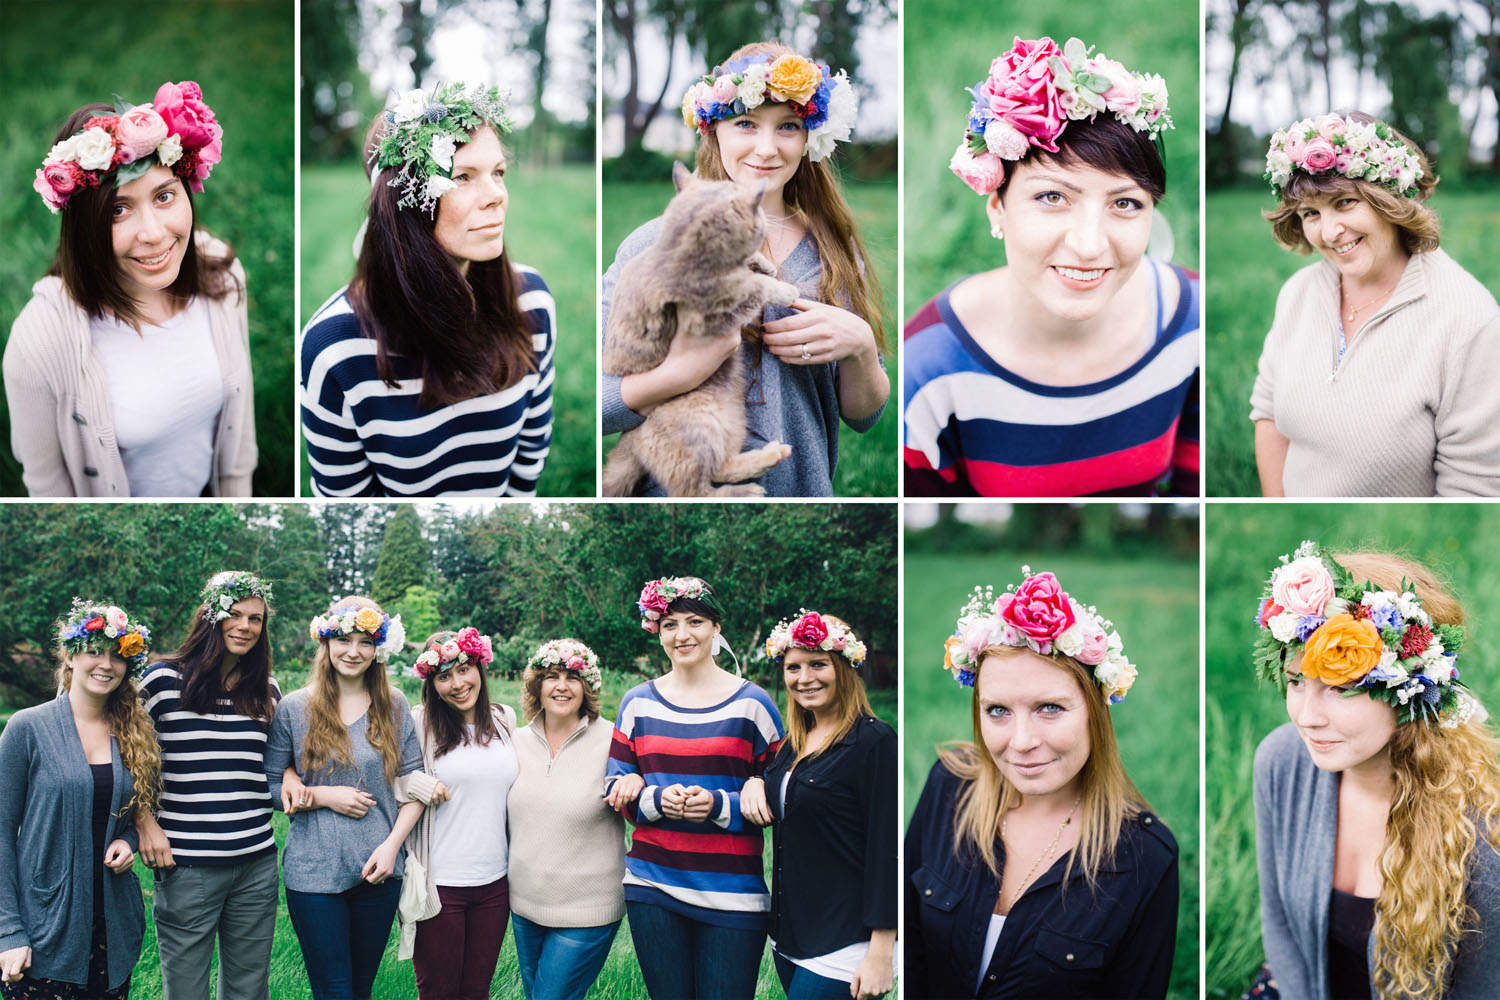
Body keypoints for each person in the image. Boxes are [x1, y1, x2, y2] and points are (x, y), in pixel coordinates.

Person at [903, 36, 1199, 497]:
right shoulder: (928, 367)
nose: (1088, 245)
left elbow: (1190, 488)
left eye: (1125, 202)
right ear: (997, 208)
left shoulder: (1193, 322)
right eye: (1052, 197)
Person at [601, 43, 889, 497]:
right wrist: (676, 376)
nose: (766, 149)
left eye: (788, 127)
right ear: (714, 130)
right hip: (678, 493)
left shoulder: (831, 249)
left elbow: (864, 416)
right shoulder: (650, 246)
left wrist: (861, 347)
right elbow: (599, 406)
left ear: (809, 136)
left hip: (799, 492)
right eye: (746, 124)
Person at [905, 569, 1178, 998]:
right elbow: (912, 950)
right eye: (998, 711)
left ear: (1095, 711)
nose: (1022, 742)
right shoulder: (948, 786)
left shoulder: (1144, 858)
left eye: (1050, 708)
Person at [1247, 545, 1500, 999]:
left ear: (1409, 687)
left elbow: (1485, 987)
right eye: (1295, 681)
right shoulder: (1280, 762)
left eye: (1341, 688)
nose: (1306, 716)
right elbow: (1280, 925)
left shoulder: (1484, 828)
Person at [300, 82, 555, 497]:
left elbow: (529, 458)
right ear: (407, 200)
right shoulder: (334, 346)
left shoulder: (532, 302)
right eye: (463, 177)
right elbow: (346, 501)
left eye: (498, 173)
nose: (497, 196)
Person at [6, 81, 256, 497]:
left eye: (164, 196)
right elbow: (48, 490)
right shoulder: (39, 341)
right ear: (86, 227)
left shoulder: (221, 273)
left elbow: (239, 439)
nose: (154, 234)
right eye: (120, 209)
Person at [1251, 112, 1500, 497]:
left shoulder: (1469, 319)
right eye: (1311, 214)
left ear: (1390, 201)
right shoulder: (1298, 293)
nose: (1330, 232)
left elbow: (1474, 486)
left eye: (1346, 203)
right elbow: (1268, 414)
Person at [604, 576, 786, 998]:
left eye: (695, 622)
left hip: (733, 894)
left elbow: (781, 797)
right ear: (657, 632)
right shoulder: (637, 703)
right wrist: (654, 798)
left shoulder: (753, 704)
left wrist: (721, 805)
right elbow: (614, 787)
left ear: (716, 628)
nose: (682, 635)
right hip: (653, 887)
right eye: (670, 625)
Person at [265, 597, 423, 1000]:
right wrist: (322, 796)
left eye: (365, 642)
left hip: (378, 870)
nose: (353, 651)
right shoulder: (294, 708)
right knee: (333, 989)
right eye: (343, 639)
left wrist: (392, 849)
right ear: (326, 642)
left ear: (378, 649)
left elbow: (415, 785)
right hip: (314, 872)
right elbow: (271, 785)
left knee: (360, 988)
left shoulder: (395, 705)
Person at [0, 600, 159, 998]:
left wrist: (131, 841)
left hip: (112, 926)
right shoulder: (28, 728)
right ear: (71, 656)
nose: (106, 664)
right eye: (94, 651)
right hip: (44, 925)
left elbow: (143, 805)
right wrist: (8, 931)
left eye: (118, 656)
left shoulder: (135, 732)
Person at [136, 572, 280, 1000]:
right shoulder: (161, 681)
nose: (245, 626)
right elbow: (126, 755)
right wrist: (144, 823)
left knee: (249, 988)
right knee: (185, 989)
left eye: (256, 619)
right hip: (187, 864)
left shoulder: (266, 691)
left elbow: (274, 766)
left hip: (256, 862)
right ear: (210, 617)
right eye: (234, 615)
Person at [741, 611, 896, 1000]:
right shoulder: (796, 740)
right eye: (793, 667)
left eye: (817, 664)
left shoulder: (874, 742)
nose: (804, 678)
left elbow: (888, 850)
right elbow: (786, 796)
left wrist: (881, 952)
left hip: (845, 942)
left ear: (844, 667)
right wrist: (755, 782)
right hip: (788, 933)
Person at [400, 628, 517, 1000]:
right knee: (438, 991)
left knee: (476, 991)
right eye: (444, 676)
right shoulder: (419, 723)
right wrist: (421, 786)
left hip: (495, 884)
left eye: (465, 669)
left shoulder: (504, 720)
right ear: (431, 684)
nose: (458, 683)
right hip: (440, 885)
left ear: (480, 667)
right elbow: (387, 779)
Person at [508, 638, 625, 1000]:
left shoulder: (614, 741)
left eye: (573, 677)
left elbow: (645, 786)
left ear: (587, 686)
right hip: (524, 904)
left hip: (587, 908)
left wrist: (633, 779)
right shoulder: (514, 741)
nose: (561, 686)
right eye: (552, 676)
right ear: (536, 685)